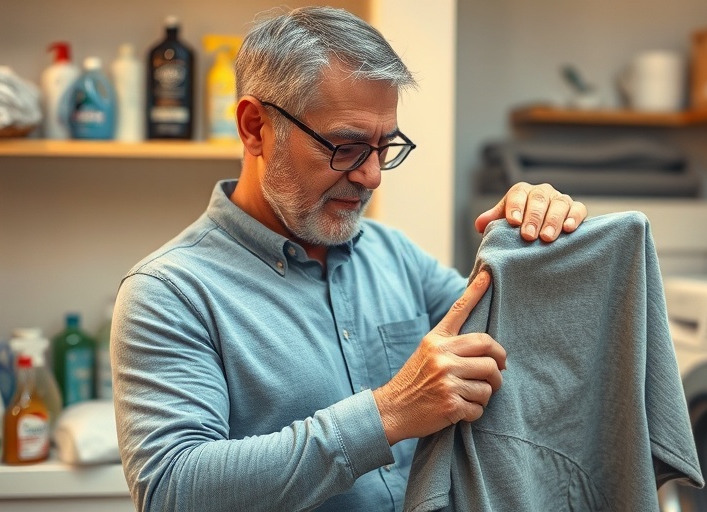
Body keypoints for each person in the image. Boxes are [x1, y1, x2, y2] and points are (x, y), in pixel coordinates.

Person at [111, 6, 587, 511]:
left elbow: (527, 350)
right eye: (347, 146)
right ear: (255, 128)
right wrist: (389, 413)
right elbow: (172, 489)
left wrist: (538, 243)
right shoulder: (168, 293)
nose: (372, 176)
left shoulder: (394, 254)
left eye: (386, 147)